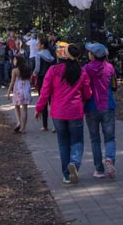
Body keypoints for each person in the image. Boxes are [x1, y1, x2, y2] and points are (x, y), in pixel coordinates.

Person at [36, 43, 92, 185]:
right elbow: (87, 93)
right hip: (75, 111)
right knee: (77, 142)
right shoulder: (82, 72)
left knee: (63, 143)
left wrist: (39, 108)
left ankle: (66, 175)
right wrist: (84, 99)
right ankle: (74, 163)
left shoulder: (53, 70)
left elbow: (45, 91)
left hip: (58, 112)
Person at [83, 42, 117, 180]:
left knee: (95, 139)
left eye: (89, 51)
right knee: (109, 137)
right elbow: (114, 86)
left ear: (92, 55)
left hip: (91, 107)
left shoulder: (85, 69)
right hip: (107, 106)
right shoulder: (110, 68)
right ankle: (109, 158)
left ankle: (99, 169)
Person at [33, 36, 57, 132]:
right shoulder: (52, 56)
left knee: (43, 101)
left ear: (42, 45)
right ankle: (55, 125)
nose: (37, 46)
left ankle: (45, 125)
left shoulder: (39, 55)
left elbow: (37, 69)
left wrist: (33, 75)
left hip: (42, 79)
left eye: (38, 44)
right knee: (52, 102)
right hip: (52, 79)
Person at [7, 53, 32, 133]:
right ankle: (23, 128)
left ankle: (18, 122)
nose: (13, 61)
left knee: (16, 105)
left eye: (14, 60)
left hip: (18, 88)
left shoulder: (15, 70)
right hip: (26, 88)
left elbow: (12, 82)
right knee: (24, 109)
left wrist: (8, 92)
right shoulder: (27, 69)